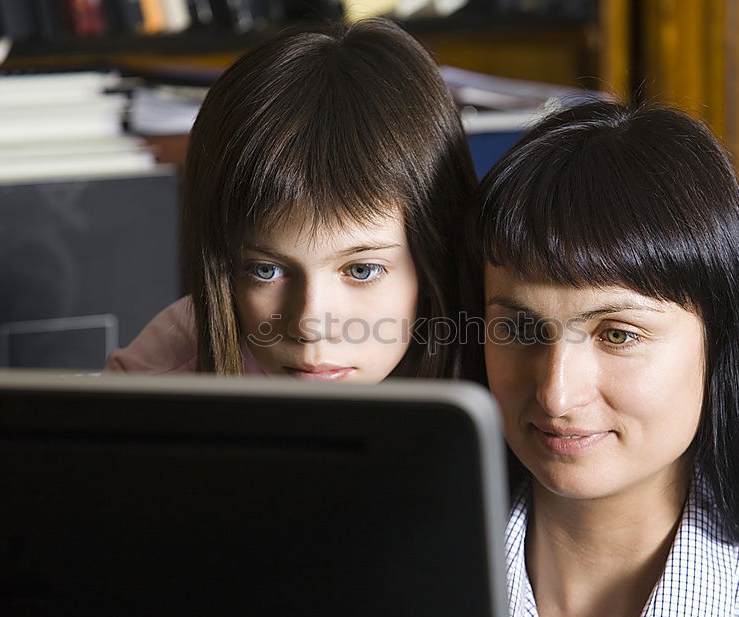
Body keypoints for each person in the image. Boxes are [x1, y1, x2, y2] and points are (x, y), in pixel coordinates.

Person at [464, 102, 739, 617]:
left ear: (721, 339)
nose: (557, 394)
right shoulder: (397, 570)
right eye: (521, 328)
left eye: (618, 334)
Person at [106, 18, 476, 380]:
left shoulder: (506, 364)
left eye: (362, 270)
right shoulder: (163, 372)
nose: (310, 326)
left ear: (436, 257)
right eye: (265, 270)